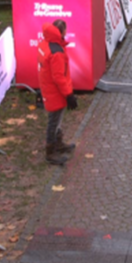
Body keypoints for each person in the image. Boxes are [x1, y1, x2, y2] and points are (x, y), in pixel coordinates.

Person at [37, 20, 79, 165]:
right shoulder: (57, 52)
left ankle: (58, 144)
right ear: (63, 32)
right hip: (56, 92)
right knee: (54, 121)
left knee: (56, 119)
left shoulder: (45, 44)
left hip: (48, 88)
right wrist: (69, 94)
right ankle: (51, 151)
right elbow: (59, 77)